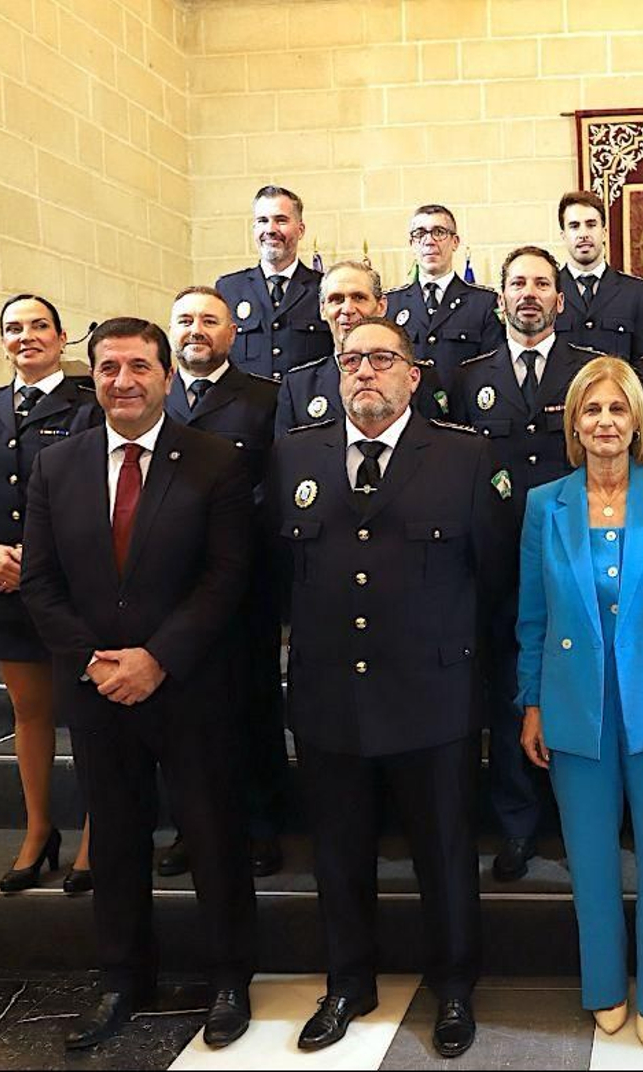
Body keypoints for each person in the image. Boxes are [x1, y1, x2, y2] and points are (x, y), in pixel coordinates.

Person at [270, 316, 512, 1059]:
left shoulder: (467, 457)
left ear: (414, 375)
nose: (365, 371)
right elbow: (276, 577)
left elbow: (495, 581)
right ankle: (348, 983)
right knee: (338, 854)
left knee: (444, 852)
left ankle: (455, 988)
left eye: (382, 359)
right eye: (351, 361)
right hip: (329, 695)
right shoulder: (291, 456)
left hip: (432, 696)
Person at [20, 318, 258, 1051]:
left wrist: (157, 658)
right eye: (108, 367)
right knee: (117, 843)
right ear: (91, 375)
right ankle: (124, 978)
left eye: (138, 367)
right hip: (97, 692)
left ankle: (229, 978)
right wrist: (95, 660)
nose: (123, 380)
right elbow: (40, 580)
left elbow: (228, 577)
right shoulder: (57, 466)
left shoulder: (214, 461)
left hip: (189, 688)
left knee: (214, 837)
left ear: (166, 377)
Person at [516, 356, 643, 1047]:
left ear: (638, 422)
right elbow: (532, 615)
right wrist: (531, 703)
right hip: (575, 703)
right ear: (575, 424)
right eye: (592, 410)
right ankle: (603, 984)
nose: (605, 422)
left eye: (617, 409)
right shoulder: (547, 504)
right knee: (591, 857)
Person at [0, 294, 99, 895]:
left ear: (62, 339)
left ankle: (95, 832)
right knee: (28, 712)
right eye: (13, 328)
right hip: (0, 584)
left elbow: (96, 490)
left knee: (85, 715)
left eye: (39, 326)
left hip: (68, 586)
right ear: (2, 340)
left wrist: (37, 560)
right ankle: (38, 831)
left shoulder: (85, 407)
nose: (26, 336)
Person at [449, 245, 597, 882]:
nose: (529, 294)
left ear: (560, 301)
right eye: (518, 284)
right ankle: (516, 825)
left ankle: (579, 818)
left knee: (583, 685)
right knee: (514, 690)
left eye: (542, 283)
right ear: (501, 298)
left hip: (581, 554)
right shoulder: (469, 376)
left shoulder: (592, 371)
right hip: (499, 560)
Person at [153, 286, 285, 880]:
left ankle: (260, 826)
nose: (196, 330)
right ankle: (192, 829)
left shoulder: (265, 399)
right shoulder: (152, 399)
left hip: (243, 584)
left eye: (209, 320)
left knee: (252, 706)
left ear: (233, 334)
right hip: (167, 589)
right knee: (181, 716)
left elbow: (275, 487)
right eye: (185, 320)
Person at [277, 260, 451, 435]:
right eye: (336, 300)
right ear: (323, 310)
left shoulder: (419, 378)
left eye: (358, 298)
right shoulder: (298, 387)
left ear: (381, 306)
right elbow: (290, 457)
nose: (347, 309)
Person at [215, 185, 331, 378]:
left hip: (306, 405)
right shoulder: (229, 289)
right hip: (248, 405)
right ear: (254, 229)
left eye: (281, 220)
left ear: (300, 229)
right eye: (262, 221)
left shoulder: (324, 287)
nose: (270, 229)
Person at [384, 203, 505, 382]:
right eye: (420, 234)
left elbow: (494, 365)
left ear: (455, 242)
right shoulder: (391, 304)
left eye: (439, 232)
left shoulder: (483, 303)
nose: (429, 241)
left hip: (464, 407)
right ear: (412, 244)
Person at [553, 190, 643, 360]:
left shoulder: (634, 292)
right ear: (563, 235)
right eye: (574, 226)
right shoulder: (549, 290)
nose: (583, 234)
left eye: (591, 224)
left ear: (604, 232)